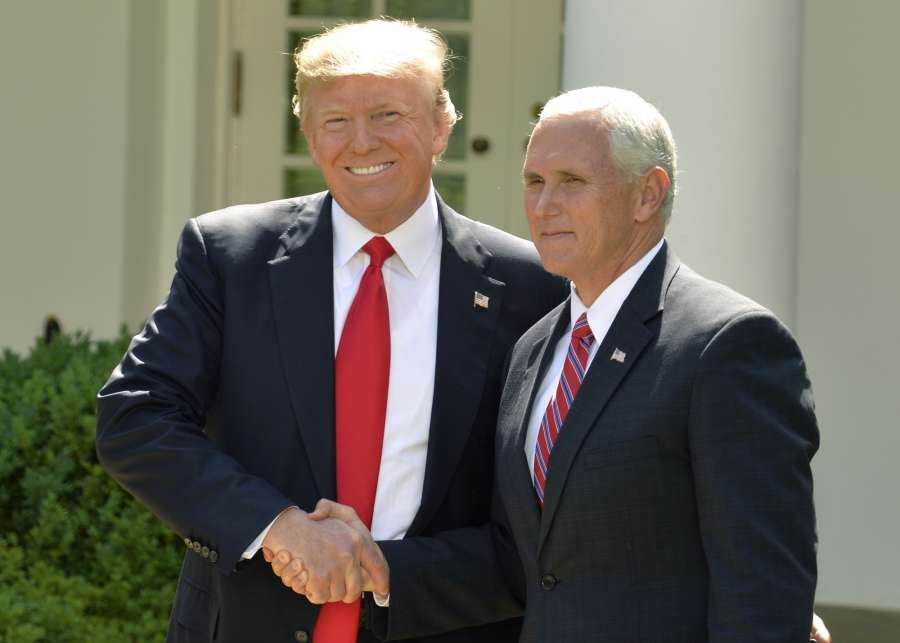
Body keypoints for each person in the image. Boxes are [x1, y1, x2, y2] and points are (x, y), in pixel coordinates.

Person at [95, 19, 565, 643]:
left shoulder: (532, 286)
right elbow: (136, 418)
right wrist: (279, 526)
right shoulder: (230, 256)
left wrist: (387, 571)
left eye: (388, 113)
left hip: (443, 623)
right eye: (336, 120)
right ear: (310, 135)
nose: (362, 141)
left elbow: (548, 508)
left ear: (441, 126)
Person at [301, 86, 827, 642]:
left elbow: (761, 589)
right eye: (534, 182)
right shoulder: (533, 348)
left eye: (572, 182)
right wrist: (381, 567)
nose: (543, 206)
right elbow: (525, 560)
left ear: (648, 194)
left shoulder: (729, 345)